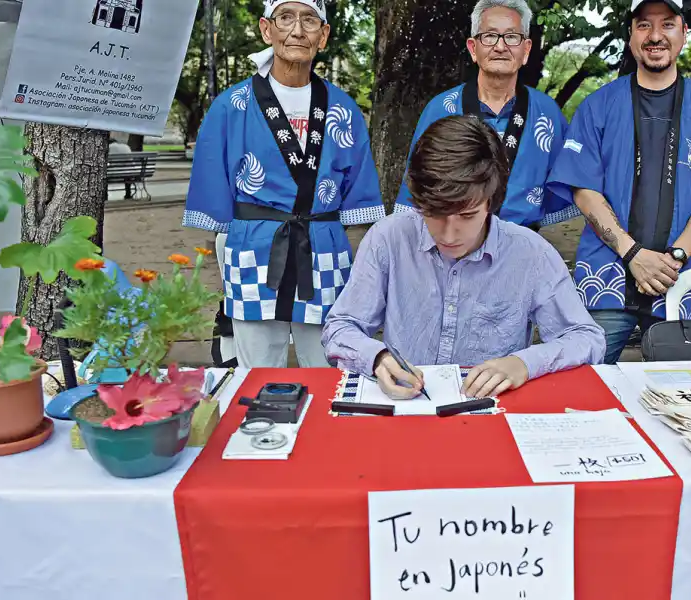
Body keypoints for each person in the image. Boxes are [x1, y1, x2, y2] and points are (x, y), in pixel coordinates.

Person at [322, 115, 605, 400]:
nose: (449, 233)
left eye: (467, 215)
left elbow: (586, 338)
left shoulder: (531, 253)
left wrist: (524, 363)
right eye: (434, 214)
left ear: (491, 202)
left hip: (492, 412)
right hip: (408, 407)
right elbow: (340, 327)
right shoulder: (389, 238)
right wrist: (378, 358)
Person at [546, 0, 691, 364]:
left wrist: (674, 258)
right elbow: (583, 188)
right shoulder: (599, 105)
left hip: (681, 278)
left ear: (684, 34)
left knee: (681, 394)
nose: (655, 36)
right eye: (644, 25)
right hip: (605, 278)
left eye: (667, 25)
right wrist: (633, 254)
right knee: (586, 384)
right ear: (630, 37)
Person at [183, 0, 385, 368]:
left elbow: (358, 193)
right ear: (266, 29)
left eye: (309, 20)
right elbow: (214, 192)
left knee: (329, 363)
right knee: (256, 370)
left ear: (323, 36)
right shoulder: (233, 105)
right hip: (254, 245)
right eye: (286, 18)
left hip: (322, 248)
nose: (297, 30)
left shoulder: (344, 109)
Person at [392, 0, 577, 229]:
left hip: (522, 244)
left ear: (526, 50)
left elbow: (563, 186)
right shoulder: (441, 109)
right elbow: (418, 185)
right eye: (490, 36)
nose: (500, 47)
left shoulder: (547, 113)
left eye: (511, 37)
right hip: (453, 241)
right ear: (473, 48)